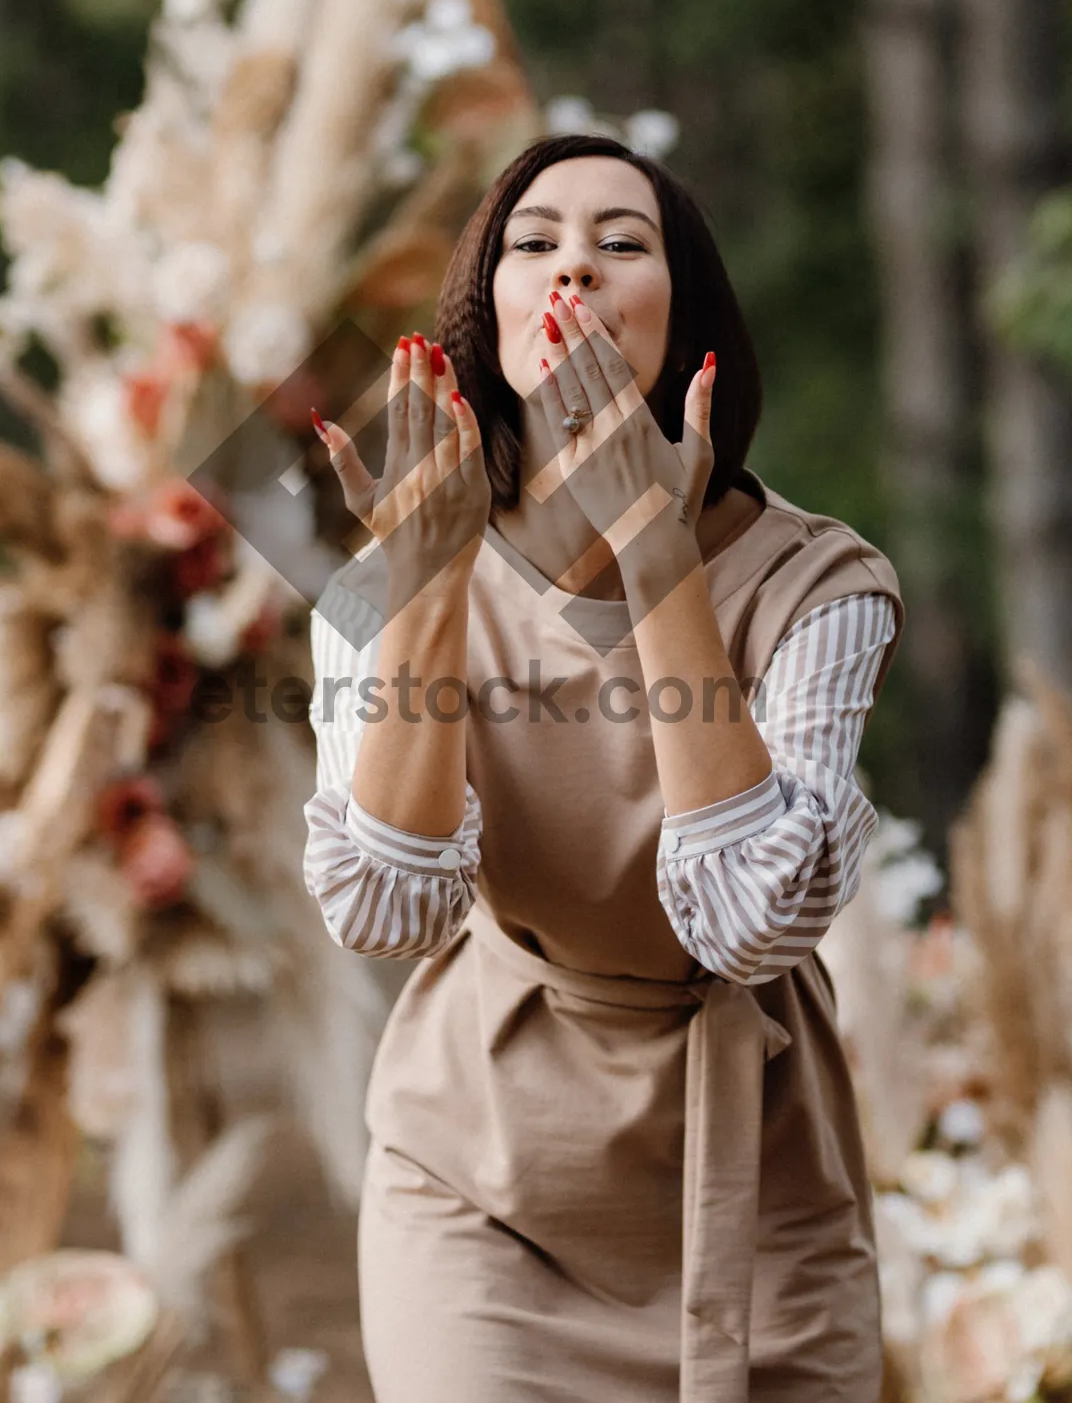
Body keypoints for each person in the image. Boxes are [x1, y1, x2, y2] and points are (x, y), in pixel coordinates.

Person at [302, 133, 904, 1403]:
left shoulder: (820, 589)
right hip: (481, 1191)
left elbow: (753, 925)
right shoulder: (379, 584)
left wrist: (655, 550)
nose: (575, 263)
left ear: (688, 321)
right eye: (535, 243)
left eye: (622, 243)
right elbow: (383, 908)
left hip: (759, 1200)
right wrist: (427, 582)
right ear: (491, 310)